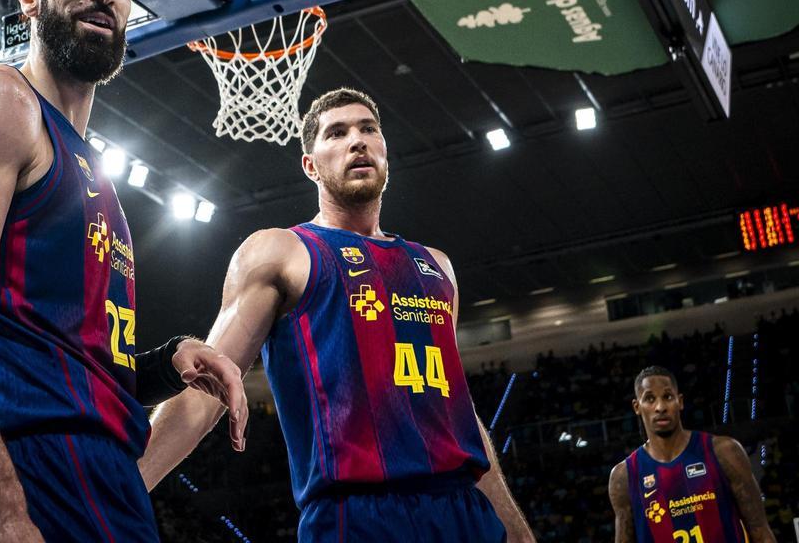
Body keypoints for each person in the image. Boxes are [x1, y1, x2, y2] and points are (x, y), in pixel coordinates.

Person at [0, 0, 247, 543]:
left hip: (107, 469)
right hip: (37, 469)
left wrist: (169, 366)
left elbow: (69, 358)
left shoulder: (92, 166)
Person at [140, 88, 534, 542]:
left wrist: (518, 533)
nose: (358, 141)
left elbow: (456, 411)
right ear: (311, 165)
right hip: (359, 518)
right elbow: (208, 386)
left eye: (369, 129)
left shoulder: (437, 266)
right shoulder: (282, 251)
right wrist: (122, 489)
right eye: (338, 133)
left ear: (386, 152)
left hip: (465, 514)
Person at [608, 366, 776, 543]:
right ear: (637, 406)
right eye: (650, 399)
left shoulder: (725, 451)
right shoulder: (624, 476)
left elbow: (760, 530)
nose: (660, 407)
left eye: (667, 397)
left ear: (679, 402)